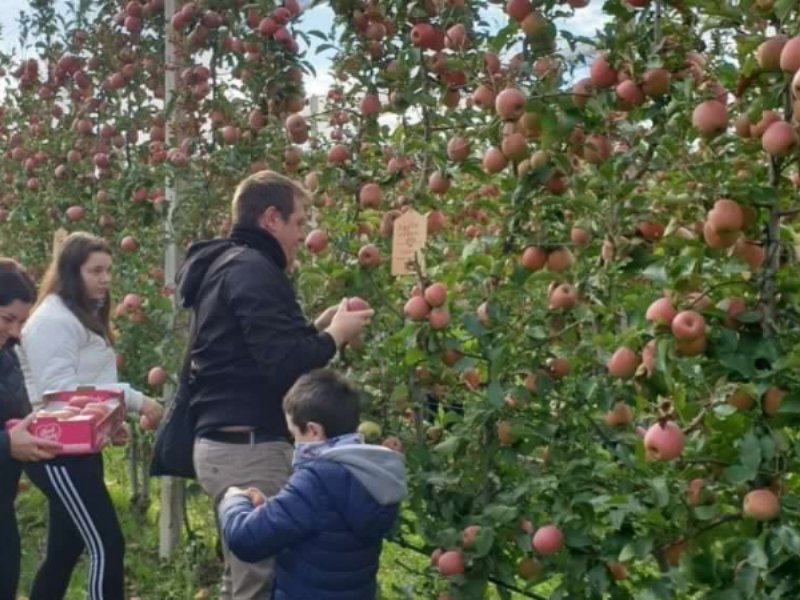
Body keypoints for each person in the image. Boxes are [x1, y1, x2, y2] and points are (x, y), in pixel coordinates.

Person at [177, 170, 374, 599]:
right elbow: (284, 367)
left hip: (222, 443)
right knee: (258, 583)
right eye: (299, 221)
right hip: (249, 450)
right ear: (271, 218)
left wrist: (316, 329)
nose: (302, 234)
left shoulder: (226, 264)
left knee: (240, 577)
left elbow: (253, 351)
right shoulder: (253, 269)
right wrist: (334, 337)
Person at [17, 232, 163, 600]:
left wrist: (108, 425)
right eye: (95, 270)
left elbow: (88, 384)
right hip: (56, 450)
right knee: (106, 544)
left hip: (74, 446)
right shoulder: (53, 320)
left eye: (108, 270)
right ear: (71, 272)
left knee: (65, 552)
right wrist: (134, 400)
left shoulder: (77, 314)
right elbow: (62, 394)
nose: (105, 279)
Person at [219, 369, 407, 600]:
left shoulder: (316, 480)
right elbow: (327, 524)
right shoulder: (373, 474)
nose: (294, 442)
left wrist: (234, 500)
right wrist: (270, 507)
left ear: (314, 430)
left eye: (294, 434)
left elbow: (246, 540)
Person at [0, 259, 62, 600]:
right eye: (7, 319)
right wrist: (7, 443)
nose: (14, 331)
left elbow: (18, 418)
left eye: (21, 322)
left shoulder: (8, 357)